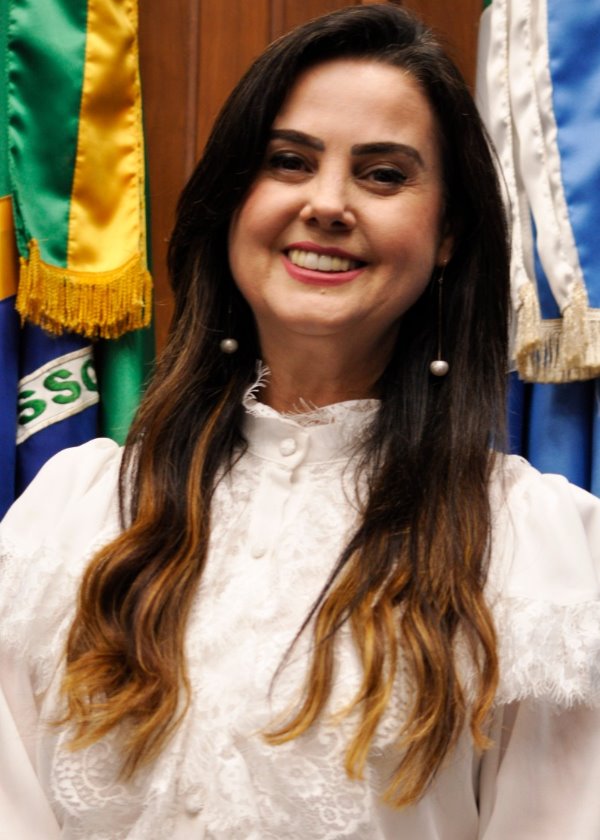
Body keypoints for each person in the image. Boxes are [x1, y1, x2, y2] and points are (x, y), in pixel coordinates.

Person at [1, 4, 599, 838]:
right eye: (289, 162)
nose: (327, 203)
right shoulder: (74, 511)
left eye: (382, 175)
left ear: (448, 233)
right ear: (232, 199)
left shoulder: (531, 546)